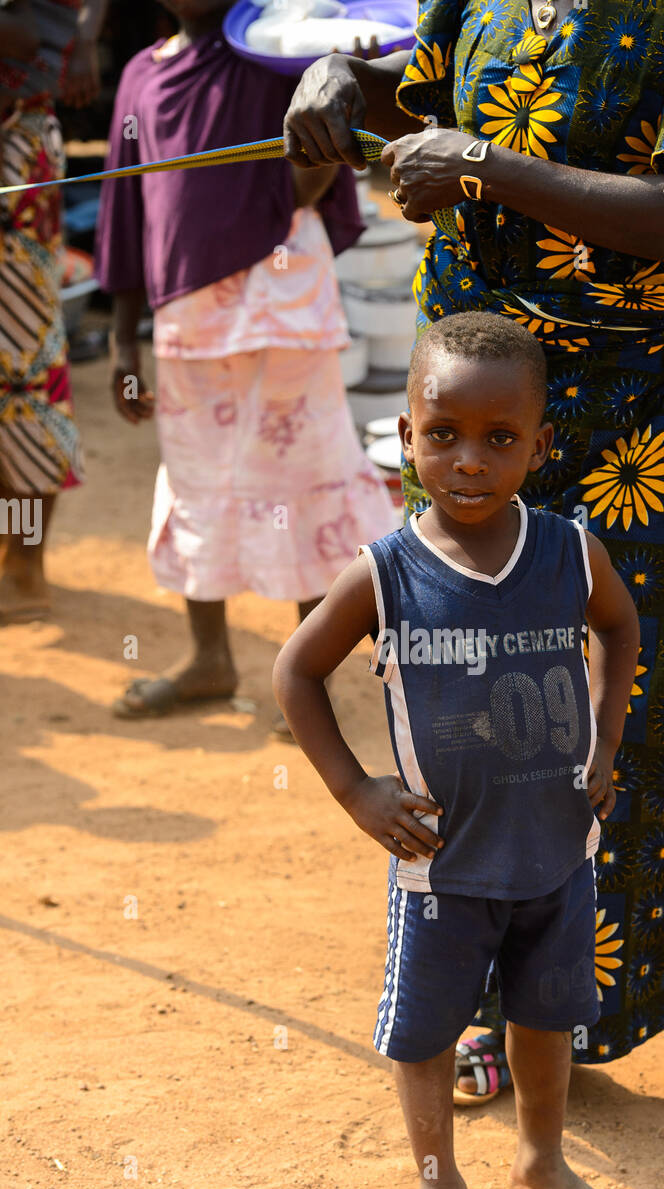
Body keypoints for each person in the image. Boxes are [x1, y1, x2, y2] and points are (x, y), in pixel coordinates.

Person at [284, 0, 664, 1098]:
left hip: (644, 432)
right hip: (479, 426)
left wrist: (486, 166)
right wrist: (341, 93)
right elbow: (423, 126)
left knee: (656, 714)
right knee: (481, 705)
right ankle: (498, 998)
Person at [273, 313, 641, 1189]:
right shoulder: (387, 572)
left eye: (499, 437)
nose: (468, 460)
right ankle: (439, 1187)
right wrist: (356, 792)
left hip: (558, 849)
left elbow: (620, 628)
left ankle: (541, 1161)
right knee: (429, 1030)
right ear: (406, 438)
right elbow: (295, 672)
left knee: (546, 1013)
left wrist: (605, 740)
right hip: (441, 864)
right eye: (442, 434)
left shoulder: (569, 551)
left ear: (540, 445)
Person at [94, 0, 394, 725]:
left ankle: (306, 678)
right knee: (199, 478)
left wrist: (325, 128)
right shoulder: (140, 74)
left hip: (284, 305)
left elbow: (321, 158)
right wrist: (123, 340)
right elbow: (127, 208)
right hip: (186, 315)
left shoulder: (282, 51)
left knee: (304, 481)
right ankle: (209, 659)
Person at [0, 0, 86, 623]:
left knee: (22, 371)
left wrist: (85, 32)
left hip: (16, 146)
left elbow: (21, 30)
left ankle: (25, 567)